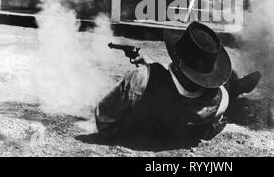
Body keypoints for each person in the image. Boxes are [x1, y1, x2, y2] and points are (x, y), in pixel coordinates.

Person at [95, 21, 261, 145]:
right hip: (206, 100)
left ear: (178, 60)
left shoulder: (140, 79)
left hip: (145, 132)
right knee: (230, 85)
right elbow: (183, 85)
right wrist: (153, 68)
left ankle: (239, 85)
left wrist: (148, 72)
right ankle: (240, 85)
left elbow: (103, 119)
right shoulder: (219, 101)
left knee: (231, 84)